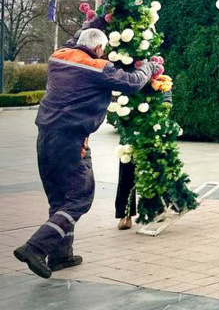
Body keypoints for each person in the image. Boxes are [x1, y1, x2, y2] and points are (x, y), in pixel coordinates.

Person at [13, 26, 158, 278]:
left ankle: (61, 255)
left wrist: (102, 18)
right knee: (79, 198)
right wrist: (150, 67)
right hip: (72, 140)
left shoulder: (58, 56)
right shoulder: (97, 67)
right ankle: (35, 247)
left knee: (59, 199)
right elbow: (132, 83)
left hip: (45, 137)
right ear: (99, 49)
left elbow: (78, 38)